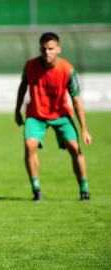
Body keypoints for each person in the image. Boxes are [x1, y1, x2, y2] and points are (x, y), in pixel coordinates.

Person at [15, 32, 92, 201]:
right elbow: (22, 87)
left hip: (61, 114)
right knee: (30, 145)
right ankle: (36, 190)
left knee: (74, 147)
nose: (47, 52)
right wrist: (17, 111)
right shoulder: (30, 66)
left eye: (51, 49)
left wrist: (84, 129)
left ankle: (84, 189)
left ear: (58, 49)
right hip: (36, 114)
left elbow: (77, 101)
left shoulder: (67, 70)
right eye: (44, 49)